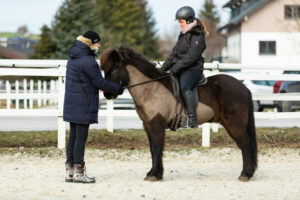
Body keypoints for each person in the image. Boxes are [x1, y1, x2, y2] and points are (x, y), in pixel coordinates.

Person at [63, 30, 123, 183]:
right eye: (97, 42)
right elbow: (99, 83)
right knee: (80, 139)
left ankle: (69, 172)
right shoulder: (88, 61)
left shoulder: (73, 56)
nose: (99, 45)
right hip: (83, 102)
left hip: (72, 102)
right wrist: (117, 88)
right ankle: (79, 172)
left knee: (73, 138)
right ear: (89, 43)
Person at [161, 6, 208, 128]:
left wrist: (175, 68)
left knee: (185, 88)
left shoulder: (197, 34)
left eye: (181, 22)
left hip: (193, 68)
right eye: (179, 22)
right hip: (182, 67)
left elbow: (192, 56)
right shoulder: (183, 34)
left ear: (189, 20)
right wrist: (163, 68)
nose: (180, 24)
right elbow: (174, 54)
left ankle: (192, 119)